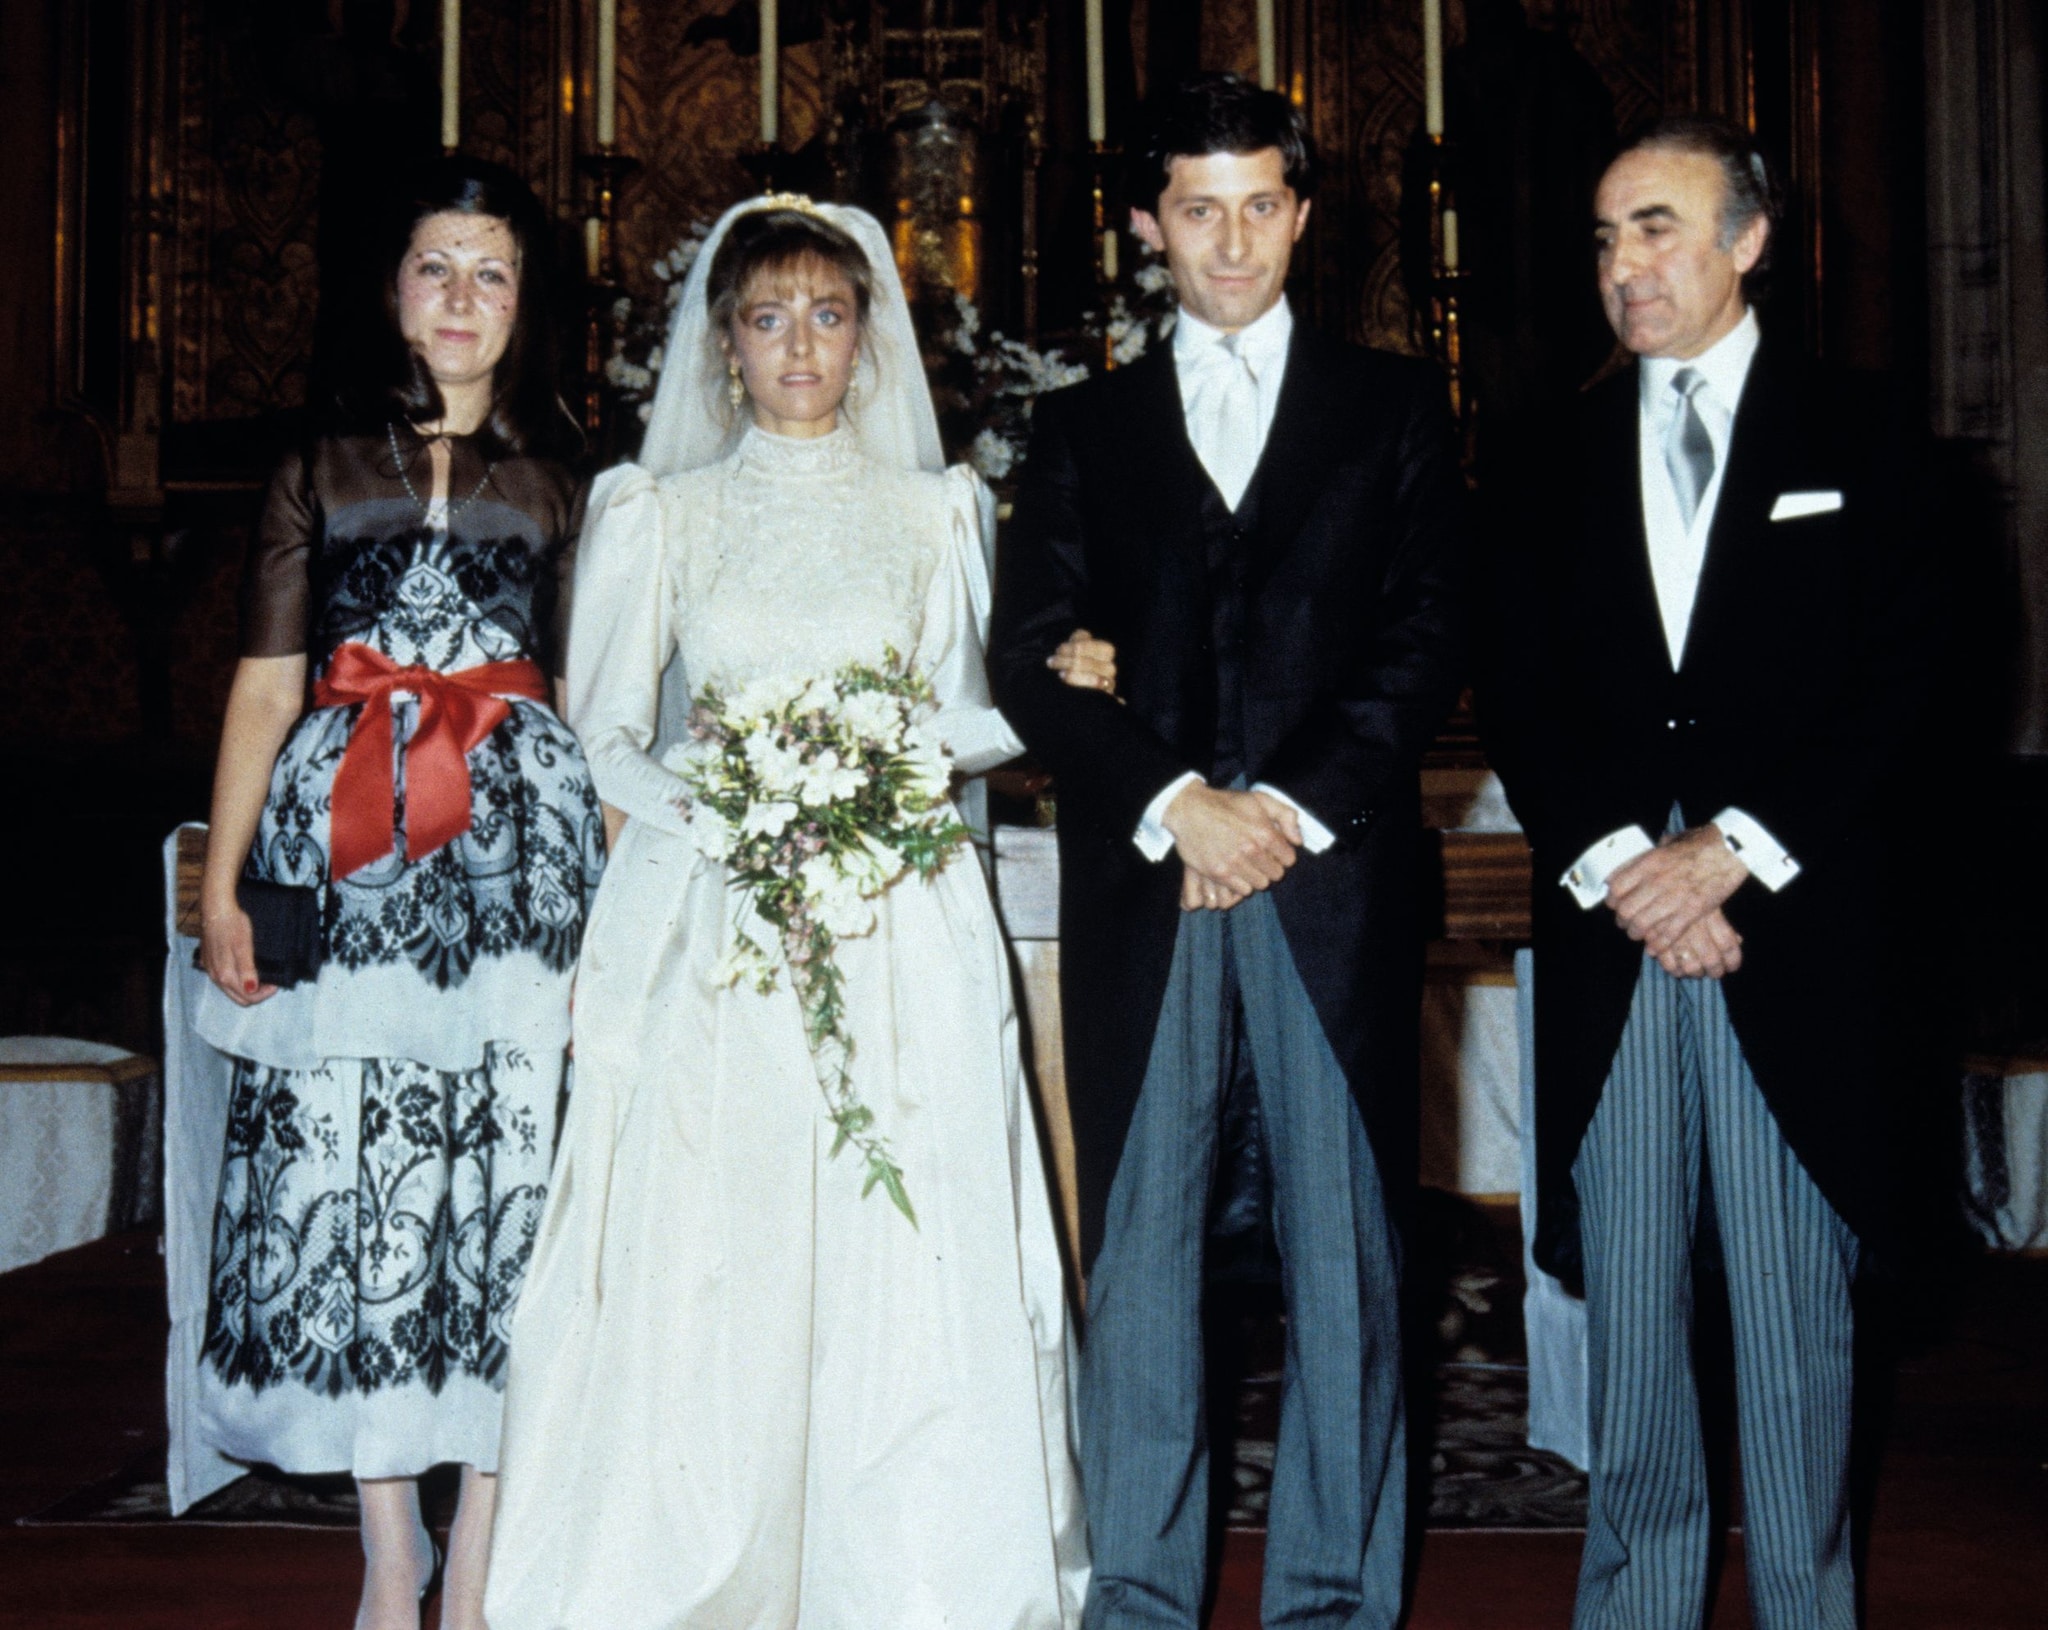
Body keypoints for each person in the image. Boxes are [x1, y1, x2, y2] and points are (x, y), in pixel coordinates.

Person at [483, 197, 1109, 1628]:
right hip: (719, 919)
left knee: (904, 1230)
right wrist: (745, 806)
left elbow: (976, 715)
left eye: (829, 315)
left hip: (896, 904)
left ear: (869, 337)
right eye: (769, 318)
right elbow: (606, 729)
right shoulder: (665, 513)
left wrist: (880, 770)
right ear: (724, 346)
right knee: (727, 1226)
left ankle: (913, 1569)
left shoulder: (934, 509)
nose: (802, 345)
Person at [990, 74, 1468, 1629]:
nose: (1235, 238)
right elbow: (1028, 650)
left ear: (1304, 214)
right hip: (1153, 888)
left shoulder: (1395, 405)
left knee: (1349, 1269)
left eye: (1263, 203)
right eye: (1202, 209)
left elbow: (1425, 632)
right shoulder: (1079, 428)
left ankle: (1333, 1599)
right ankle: (1137, 1591)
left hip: (1328, 886)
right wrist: (1173, 802)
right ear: (1150, 228)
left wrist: (1287, 811)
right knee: (1143, 1271)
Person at [1474, 116, 1949, 1629]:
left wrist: (1728, 854)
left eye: (1659, 227)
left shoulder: (1865, 433)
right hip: (1623, 941)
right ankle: (1638, 1604)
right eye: (1608, 237)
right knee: (1631, 1328)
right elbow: (1521, 690)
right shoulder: (1544, 450)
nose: (1627, 266)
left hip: (1783, 943)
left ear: (1750, 240)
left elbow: (1910, 679)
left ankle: (1811, 1607)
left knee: (1795, 1327)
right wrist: (1630, 868)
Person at [191, 157, 602, 1630]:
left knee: (511, 1179)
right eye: (437, 266)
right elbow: (264, 683)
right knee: (351, 1169)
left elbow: (602, 698)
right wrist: (227, 879)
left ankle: (481, 1555)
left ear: (523, 303)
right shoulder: (320, 464)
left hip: (519, 854)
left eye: (491, 272)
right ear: (393, 290)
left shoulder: (569, 477)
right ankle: (388, 1545)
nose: (462, 298)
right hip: (347, 845)